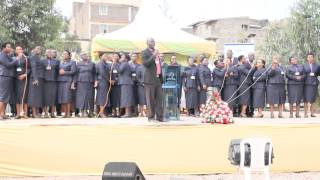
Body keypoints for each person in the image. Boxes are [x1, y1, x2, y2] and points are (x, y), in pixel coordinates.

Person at [141, 38, 164, 122]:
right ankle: (150, 117)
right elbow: (146, 63)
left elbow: (158, 65)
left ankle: (160, 117)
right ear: (147, 43)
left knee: (159, 100)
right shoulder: (145, 52)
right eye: (151, 41)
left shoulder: (156, 52)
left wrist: (161, 78)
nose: (153, 43)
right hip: (149, 80)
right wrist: (153, 55)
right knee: (150, 100)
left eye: (154, 41)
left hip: (158, 79)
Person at [73, 52, 95, 118]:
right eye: (83, 55)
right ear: (81, 57)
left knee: (89, 96)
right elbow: (76, 74)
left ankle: (89, 112)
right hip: (81, 82)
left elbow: (95, 73)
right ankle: (82, 112)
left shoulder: (92, 63)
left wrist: (96, 81)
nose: (84, 56)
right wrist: (74, 82)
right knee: (81, 97)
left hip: (90, 82)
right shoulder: (78, 64)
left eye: (85, 55)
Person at [0, 42, 17, 120]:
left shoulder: (7, 55)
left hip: (8, 77)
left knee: (6, 97)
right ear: (3, 48)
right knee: (3, 96)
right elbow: (8, 64)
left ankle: (3, 114)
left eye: (10, 47)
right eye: (8, 47)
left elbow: (12, 61)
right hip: (4, 77)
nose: (10, 48)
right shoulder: (2, 55)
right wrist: (17, 59)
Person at [57, 50, 76, 118]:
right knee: (62, 98)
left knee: (67, 97)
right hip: (61, 81)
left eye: (66, 54)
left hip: (68, 81)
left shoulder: (72, 62)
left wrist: (64, 72)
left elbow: (73, 71)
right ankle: (65, 113)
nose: (64, 55)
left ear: (69, 55)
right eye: (63, 54)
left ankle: (68, 113)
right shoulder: (61, 62)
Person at [28, 46, 45, 118]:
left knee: (38, 96)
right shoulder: (33, 57)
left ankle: (37, 113)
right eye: (37, 48)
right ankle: (34, 113)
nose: (39, 50)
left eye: (40, 49)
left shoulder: (38, 57)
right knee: (34, 96)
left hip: (40, 78)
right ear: (34, 50)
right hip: (35, 78)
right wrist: (35, 79)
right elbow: (33, 68)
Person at [13, 46, 30, 119]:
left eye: (20, 49)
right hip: (16, 79)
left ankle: (25, 113)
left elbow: (29, 68)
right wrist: (17, 59)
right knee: (17, 96)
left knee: (24, 96)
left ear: (22, 50)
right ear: (16, 51)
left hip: (24, 79)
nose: (19, 50)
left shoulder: (26, 58)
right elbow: (11, 67)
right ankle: (18, 113)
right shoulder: (14, 59)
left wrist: (25, 74)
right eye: (17, 49)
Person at [42, 49, 59, 118]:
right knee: (45, 97)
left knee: (53, 97)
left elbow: (58, 71)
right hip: (45, 81)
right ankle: (46, 113)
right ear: (45, 53)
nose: (49, 53)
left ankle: (52, 113)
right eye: (48, 52)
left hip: (54, 81)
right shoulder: (42, 61)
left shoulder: (57, 61)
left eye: (50, 52)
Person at [303, 52, 320, 117]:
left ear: (313, 58)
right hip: (306, 84)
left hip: (314, 83)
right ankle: (305, 113)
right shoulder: (304, 65)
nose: (310, 58)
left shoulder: (317, 65)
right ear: (307, 58)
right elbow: (303, 74)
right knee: (306, 99)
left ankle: (312, 113)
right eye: (309, 57)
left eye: (311, 57)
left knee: (313, 98)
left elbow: (318, 73)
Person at [118, 53, 135, 117]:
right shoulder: (128, 64)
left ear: (126, 59)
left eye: (122, 57)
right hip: (128, 82)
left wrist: (118, 63)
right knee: (128, 97)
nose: (121, 58)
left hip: (125, 82)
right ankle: (129, 113)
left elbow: (119, 70)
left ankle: (127, 113)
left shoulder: (124, 64)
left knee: (126, 97)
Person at [95, 53, 111, 118]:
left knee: (104, 97)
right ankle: (101, 112)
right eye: (105, 56)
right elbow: (102, 73)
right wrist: (109, 80)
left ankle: (102, 112)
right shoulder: (100, 63)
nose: (106, 57)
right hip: (102, 81)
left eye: (107, 56)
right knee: (102, 97)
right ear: (101, 56)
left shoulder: (106, 63)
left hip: (105, 82)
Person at [110, 53, 121, 117]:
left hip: (118, 84)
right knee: (113, 99)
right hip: (111, 85)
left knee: (118, 99)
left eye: (116, 56)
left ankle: (118, 113)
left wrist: (115, 80)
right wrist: (110, 80)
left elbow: (120, 74)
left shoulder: (120, 65)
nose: (114, 57)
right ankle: (113, 112)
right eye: (113, 56)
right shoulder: (110, 64)